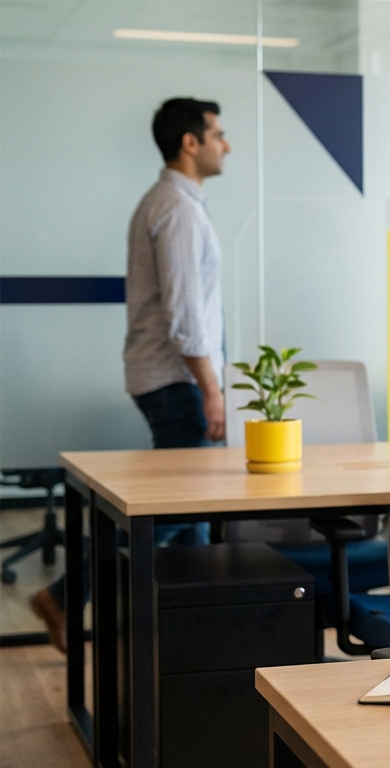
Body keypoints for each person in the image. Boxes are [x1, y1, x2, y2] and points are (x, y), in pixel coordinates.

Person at [29, 97, 231, 653]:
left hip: (171, 379)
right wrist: (211, 388)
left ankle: (187, 636)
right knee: (166, 514)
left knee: (188, 519)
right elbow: (187, 314)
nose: (226, 144)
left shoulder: (173, 201)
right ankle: (67, 594)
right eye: (217, 133)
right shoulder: (178, 208)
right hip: (178, 381)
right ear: (190, 142)